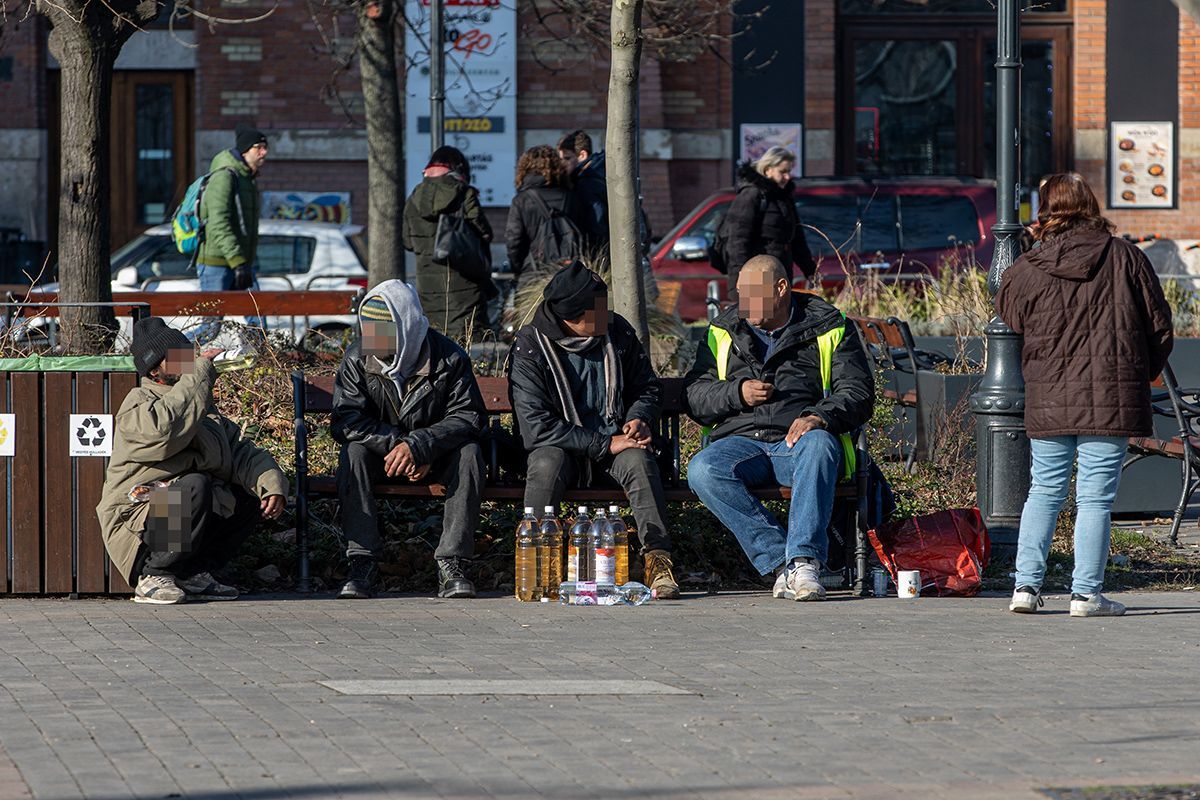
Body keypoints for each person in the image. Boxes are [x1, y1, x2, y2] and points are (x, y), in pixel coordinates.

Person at [997, 172, 1173, 618]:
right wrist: (1138, 372)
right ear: (1089, 204)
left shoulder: (1029, 267)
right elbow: (1160, 326)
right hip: (1111, 396)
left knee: (1044, 492)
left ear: (1044, 212)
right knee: (1095, 499)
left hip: (1050, 394)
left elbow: (1009, 316)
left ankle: (1025, 588)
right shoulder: (1126, 257)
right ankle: (1085, 595)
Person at [684, 255, 873, 602]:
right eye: (740, 294)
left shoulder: (829, 325)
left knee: (820, 445)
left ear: (781, 288)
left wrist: (819, 416)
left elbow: (857, 392)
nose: (744, 304)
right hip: (742, 442)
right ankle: (780, 562)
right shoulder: (723, 330)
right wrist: (736, 393)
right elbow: (695, 395)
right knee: (703, 469)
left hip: (798, 442)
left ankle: (804, 562)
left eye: (752, 295)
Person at [508, 261, 680, 599]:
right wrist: (605, 443)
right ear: (570, 317)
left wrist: (639, 417)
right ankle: (541, 567)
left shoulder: (618, 332)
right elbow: (537, 428)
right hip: (564, 449)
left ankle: (658, 561)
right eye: (597, 310)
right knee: (546, 463)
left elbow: (648, 387)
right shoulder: (530, 347)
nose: (607, 315)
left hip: (615, 443)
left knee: (639, 462)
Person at [96, 317, 288, 605]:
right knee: (193, 486)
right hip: (136, 523)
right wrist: (198, 375)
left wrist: (271, 484)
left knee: (245, 496)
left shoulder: (199, 406)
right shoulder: (139, 403)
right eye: (177, 358)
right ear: (154, 368)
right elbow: (165, 432)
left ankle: (194, 573)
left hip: (179, 509)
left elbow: (239, 452)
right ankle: (155, 575)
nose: (187, 361)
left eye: (188, 354)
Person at [331, 280, 487, 599]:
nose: (371, 340)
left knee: (470, 453)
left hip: (439, 453)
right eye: (367, 329)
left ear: (406, 326)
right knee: (354, 453)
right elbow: (346, 420)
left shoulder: (450, 358)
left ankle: (452, 563)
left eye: (381, 331)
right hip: (383, 453)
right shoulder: (358, 358)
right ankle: (362, 562)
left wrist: (421, 446)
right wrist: (402, 445)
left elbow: (469, 417)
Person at [403, 146, 495, 340]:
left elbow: (408, 242)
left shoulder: (413, 199)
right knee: (471, 348)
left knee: (436, 347)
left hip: (428, 290)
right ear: (459, 168)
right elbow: (484, 232)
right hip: (466, 288)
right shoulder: (464, 194)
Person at [193, 123, 268, 344]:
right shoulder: (225, 176)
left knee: (258, 323)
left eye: (265, 147)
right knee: (210, 328)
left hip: (241, 262)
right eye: (259, 147)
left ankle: (266, 370)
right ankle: (173, 363)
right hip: (217, 262)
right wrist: (238, 262)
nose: (264, 152)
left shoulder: (247, 178)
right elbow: (218, 223)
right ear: (245, 150)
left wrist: (241, 262)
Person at [721, 146, 816, 302]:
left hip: (780, 275)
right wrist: (742, 279)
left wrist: (811, 271)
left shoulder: (784, 198)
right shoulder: (751, 195)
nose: (787, 177)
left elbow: (797, 239)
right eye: (782, 172)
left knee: (779, 321)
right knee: (755, 323)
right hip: (755, 277)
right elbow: (738, 242)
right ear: (767, 170)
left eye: (789, 172)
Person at [505, 145, 579, 284]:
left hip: (533, 275)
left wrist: (519, 269)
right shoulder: (571, 196)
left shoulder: (521, 200)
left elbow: (513, 241)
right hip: (568, 275)